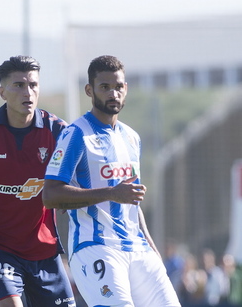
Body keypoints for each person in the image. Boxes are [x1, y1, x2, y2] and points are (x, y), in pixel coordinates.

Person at [42, 55, 181, 307]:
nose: (113, 93)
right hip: (95, 247)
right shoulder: (75, 135)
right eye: (105, 87)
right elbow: (50, 195)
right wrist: (110, 193)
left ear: (125, 89)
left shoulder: (131, 137)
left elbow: (130, 198)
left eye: (118, 87)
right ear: (90, 90)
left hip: (137, 248)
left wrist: (150, 244)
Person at [0, 55, 75, 307]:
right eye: (18, 85)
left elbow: (78, 178)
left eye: (33, 85)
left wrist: (72, 195)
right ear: (2, 92)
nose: (27, 92)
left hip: (44, 253)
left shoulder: (58, 131)